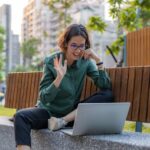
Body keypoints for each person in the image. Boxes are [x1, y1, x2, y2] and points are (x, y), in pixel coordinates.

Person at [14, 24, 114, 150]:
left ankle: (62, 121)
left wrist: (98, 60)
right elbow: (44, 98)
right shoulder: (52, 61)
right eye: (74, 45)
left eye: (81, 46)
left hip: (71, 115)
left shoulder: (86, 62)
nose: (78, 50)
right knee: (20, 116)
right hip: (49, 113)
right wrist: (59, 78)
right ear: (66, 43)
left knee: (107, 95)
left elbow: (105, 86)